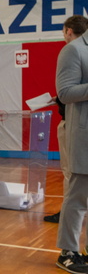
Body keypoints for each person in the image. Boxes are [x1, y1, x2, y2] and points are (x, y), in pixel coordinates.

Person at [45, 15, 88, 224]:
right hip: (74, 125)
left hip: (76, 123)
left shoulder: (76, 50)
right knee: (71, 175)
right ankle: (67, 213)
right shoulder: (73, 51)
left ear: (68, 31)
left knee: (71, 175)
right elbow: (67, 92)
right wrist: (60, 99)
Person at [54, 19, 88, 274]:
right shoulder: (74, 49)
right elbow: (65, 93)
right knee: (78, 196)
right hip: (84, 136)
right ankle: (67, 251)